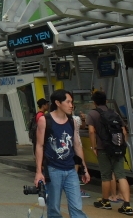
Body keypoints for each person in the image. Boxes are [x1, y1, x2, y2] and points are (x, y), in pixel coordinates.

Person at [34, 89, 90, 218]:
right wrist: (39, 172)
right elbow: (39, 146)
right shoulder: (44, 120)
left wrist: (84, 169)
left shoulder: (72, 121)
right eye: (68, 102)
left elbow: (77, 145)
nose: (71, 105)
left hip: (71, 170)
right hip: (53, 170)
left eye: (72, 102)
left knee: (77, 207)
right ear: (58, 103)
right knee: (54, 208)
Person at [86, 90, 133, 215]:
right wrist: (121, 146)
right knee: (121, 175)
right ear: (106, 101)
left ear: (94, 102)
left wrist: (94, 147)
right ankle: (127, 205)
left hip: (103, 149)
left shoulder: (92, 114)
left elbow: (91, 131)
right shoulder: (114, 113)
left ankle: (105, 202)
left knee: (106, 176)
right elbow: (124, 131)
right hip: (118, 148)